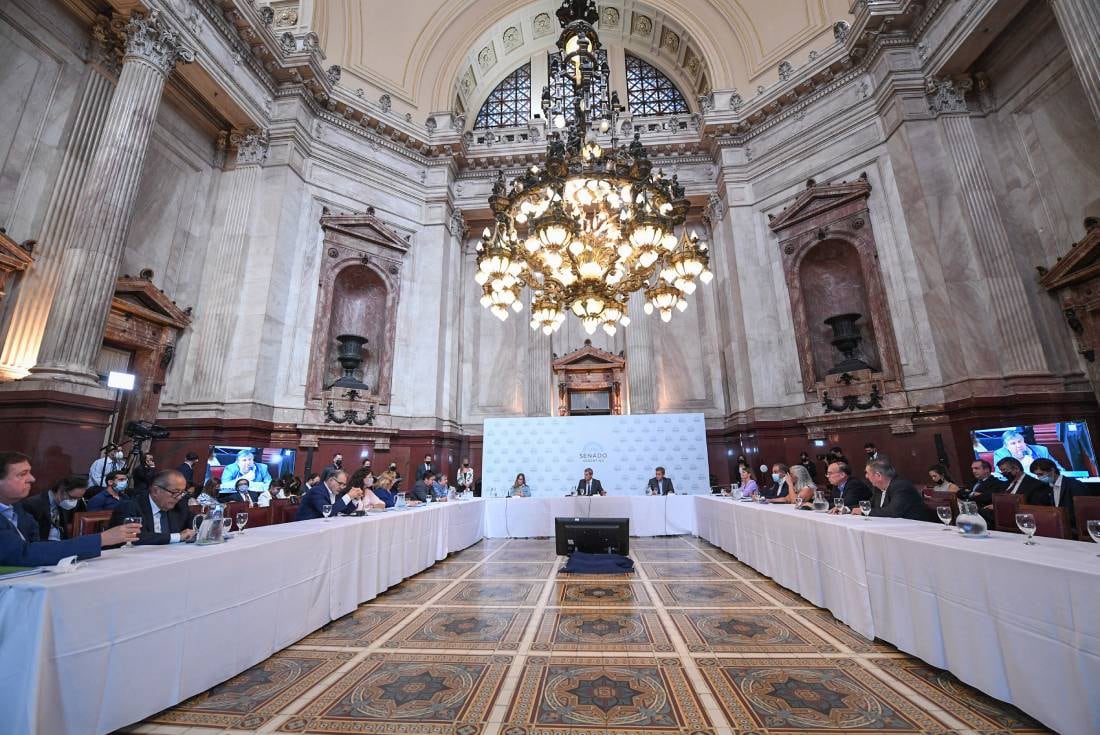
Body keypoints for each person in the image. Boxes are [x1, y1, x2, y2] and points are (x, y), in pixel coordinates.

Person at [1, 452, 139, 566]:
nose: (31, 479)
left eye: (30, 472)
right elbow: (23, 553)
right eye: (22, 474)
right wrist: (100, 539)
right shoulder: (32, 504)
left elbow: (36, 542)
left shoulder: (16, 507)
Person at [108, 469, 197, 545]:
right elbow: (133, 537)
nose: (179, 497)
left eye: (182, 493)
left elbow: (195, 522)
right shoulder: (130, 506)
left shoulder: (180, 505)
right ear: (155, 491)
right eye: (175, 492)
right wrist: (178, 537)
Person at [839, 458, 932, 521]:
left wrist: (863, 511)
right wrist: (847, 509)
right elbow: (869, 504)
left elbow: (893, 511)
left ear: (878, 476)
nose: (866, 477)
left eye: (867, 473)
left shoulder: (901, 486)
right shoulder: (878, 488)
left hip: (918, 529)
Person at [20, 475, 89, 541]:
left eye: (78, 499)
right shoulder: (32, 504)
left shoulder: (66, 504)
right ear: (61, 490)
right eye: (72, 498)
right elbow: (30, 536)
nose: (74, 502)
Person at [1031, 458, 1090, 528]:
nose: (1039, 478)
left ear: (1052, 470)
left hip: (1075, 529)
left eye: (1040, 474)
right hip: (1057, 527)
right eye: (1037, 475)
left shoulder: (1075, 485)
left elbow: (1084, 512)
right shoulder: (1045, 487)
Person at [991, 430, 1059, 476]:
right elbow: (1002, 475)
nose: (1018, 445)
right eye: (1013, 443)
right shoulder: (1000, 454)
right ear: (1006, 446)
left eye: (1020, 441)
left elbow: (1057, 468)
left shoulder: (1041, 450)